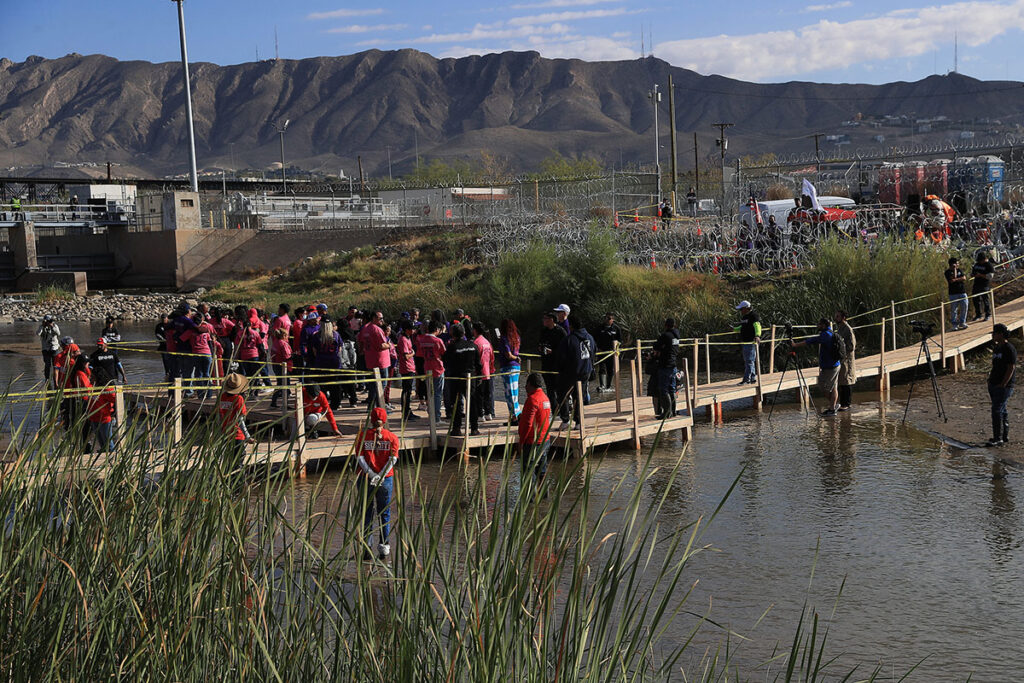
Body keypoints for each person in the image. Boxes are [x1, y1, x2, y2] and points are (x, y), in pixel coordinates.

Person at [355, 407, 400, 560]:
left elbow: (359, 459)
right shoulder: (392, 437)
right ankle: (384, 546)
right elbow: (392, 460)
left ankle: (367, 548)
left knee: (367, 512)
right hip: (385, 479)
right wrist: (380, 476)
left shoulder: (362, 436)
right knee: (384, 513)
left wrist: (372, 474)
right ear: (385, 420)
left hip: (365, 478)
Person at [791, 318, 841, 416]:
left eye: (819, 324)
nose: (817, 326)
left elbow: (812, 341)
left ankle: (832, 408)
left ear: (823, 325)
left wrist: (795, 345)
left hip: (832, 366)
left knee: (828, 388)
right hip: (830, 365)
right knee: (828, 387)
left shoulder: (826, 335)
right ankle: (833, 406)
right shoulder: (828, 332)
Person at [555, 315, 596, 424]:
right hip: (586, 371)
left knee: (562, 394)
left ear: (571, 326)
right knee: (579, 396)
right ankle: (578, 422)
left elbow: (561, 358)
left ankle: (565, 420)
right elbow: (594, 352)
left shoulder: (568, 340)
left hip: (571, 372)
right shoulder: (590, 337)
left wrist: (560, 370)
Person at [443, 323, 482, 436]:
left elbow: (445, 360)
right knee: (472, 403)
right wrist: (479, 376)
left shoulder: (452, 346)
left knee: (455, 403)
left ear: (452, 334)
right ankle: (474, 428)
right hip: (470, 378)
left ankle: (456, 428)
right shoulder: (473, 345)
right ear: (464, 333)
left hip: (456, 377)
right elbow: (478, 364)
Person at [517, 372, 552, 485]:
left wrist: (521, 441)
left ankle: (529, 500)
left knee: (528, 474)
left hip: (532, 443)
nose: (525, 387)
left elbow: (528, 424)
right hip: (545, 441)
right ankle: (544, 499)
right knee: (542, 473)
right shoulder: (545, 398)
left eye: (526, 384)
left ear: (530, 384)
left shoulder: (532, 400)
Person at [986, 324, 1016, 446]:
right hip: (993, 384)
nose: (993, 336)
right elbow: (995, 366)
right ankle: (1004, 436)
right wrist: (990, 380)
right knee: (1001, 410)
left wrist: (1004, 383)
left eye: (995, 333)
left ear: (1001, 334)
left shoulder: (1009, 349)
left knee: (997, 410)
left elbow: (1011, 367)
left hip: (1004, 386)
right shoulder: (997, 348)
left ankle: (997, 438)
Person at [311, 317, 345, 411]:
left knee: (322, 385)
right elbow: (340, 349)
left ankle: (323, 404)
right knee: (335, 385)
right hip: (334, 363)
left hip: (321, 362)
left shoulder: (317, 336)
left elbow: (314, 351)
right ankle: (336, 404)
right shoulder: (336, 335)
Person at [218, 373, 252, 463]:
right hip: (237, 435)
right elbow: (240, 420)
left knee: (228, 461)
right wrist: (248, 436)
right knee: (238, 462)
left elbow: (220, 416)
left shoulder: (222, 397)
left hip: (226, 434)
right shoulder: (238, 399)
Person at [539, 312, 568, 418]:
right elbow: (540, 343)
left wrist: (553, 351)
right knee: (549, 389)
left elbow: (565, 348)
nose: (543, 321)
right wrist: (541, 348)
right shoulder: (544, 331)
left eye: (545, 319)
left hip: (558, 364)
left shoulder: (560, 331)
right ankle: (555, 410)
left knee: (560, 389)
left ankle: (565, 410)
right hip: (546, 364)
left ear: (551, 320)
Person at [651, 318, 680, 419]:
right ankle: (673, 411)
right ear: (674, 325)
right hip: (673, 365)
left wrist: (658, 347)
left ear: (665, 325)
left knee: (663, 390)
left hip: (665, 365)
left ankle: (667, 413)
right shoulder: (676, 335)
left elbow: (656, 346)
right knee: (671, 389)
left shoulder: (665, 335)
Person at [419, 321, 447, 422]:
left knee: (430, 393)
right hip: (437, 368)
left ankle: (431, 415)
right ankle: (436, 417)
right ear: (436, 330)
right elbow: (444, 353)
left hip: (427, 367)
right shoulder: (437, 340)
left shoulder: (422, 339)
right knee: (438, 394)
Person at [497, 318, 523, 423]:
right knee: (514, 392)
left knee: (509, 393)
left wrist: (515, 358)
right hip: (516, 367)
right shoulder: (517, 337)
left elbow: (508, 355)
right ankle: (515, 415)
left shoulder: (504, 339)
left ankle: (515, 416)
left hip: (508, 367)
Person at [470, 322, 495, 422]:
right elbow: (492, 358)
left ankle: (480, 415)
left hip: (478, 373)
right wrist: (491, 369)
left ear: (475, 330)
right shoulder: (487, 342)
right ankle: (488, 413)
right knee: (487, 394)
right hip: (487, 372)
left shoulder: (476, 343)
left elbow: (474, 359)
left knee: (478, 395)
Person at [592, 312, 623, 392]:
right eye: (605, 318)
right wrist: (597, 348)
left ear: (613, 320)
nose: (606, 320)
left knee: (610, 369)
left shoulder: (616, 329)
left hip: (611, 353)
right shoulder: (599, 328)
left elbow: (620, 341)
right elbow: (594, 339)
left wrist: (616, 349)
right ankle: (602, 385)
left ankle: (608, 386)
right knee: (602, 368)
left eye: (609, 318)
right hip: (601, 351)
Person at [733, 301, 761, 385]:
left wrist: (757, 335)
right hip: (745, 342)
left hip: (751, 341)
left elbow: (757, 325)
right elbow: (742, 327)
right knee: (748, 360)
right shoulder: (744, 317)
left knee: (749, 360)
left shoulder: (753, 316)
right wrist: (734, 329)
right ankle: (752, 378)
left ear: (746, 308)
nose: (740, 311)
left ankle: (746, 379)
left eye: (741, 309)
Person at [834, 310, 857, 411]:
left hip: (847, 359)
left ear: (843, 317)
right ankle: (842, 403)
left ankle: (847, 404)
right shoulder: (840, 329)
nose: (836, 318)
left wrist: (842, 351)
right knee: (841, 381)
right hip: (841, 359)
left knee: (847, 380)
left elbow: (852, 346)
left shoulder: (848, 329)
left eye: (838, 316)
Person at [397, 320, 420, 421]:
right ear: (407, 329)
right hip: (406, 368)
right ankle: (405, 412)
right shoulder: (403, 339)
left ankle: (408, 410)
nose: (414, 331)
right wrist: (413, 353)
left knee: (409, 390)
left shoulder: (408, 338)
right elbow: (406, 356)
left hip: (410, 367)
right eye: (412, 329)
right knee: (406, 391)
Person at [86, 386, 117, 453]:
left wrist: (113, 413)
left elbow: (115, 399)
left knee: (109, 444)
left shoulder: (106, 388)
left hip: (104, 419)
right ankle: (105, 459)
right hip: (94, 418)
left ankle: (113, 459)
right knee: (102, 443)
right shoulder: (92, 386)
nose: (91, 378)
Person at [970, 251, 995, 322]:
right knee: (975, 300)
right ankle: (978, 314)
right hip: (976, 284)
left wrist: (981, 275)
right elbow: (973, 272)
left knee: (985, 300)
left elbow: (990, 276)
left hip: (984, 285)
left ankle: (988, 314)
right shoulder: (976, 264)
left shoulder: (988, 265)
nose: (980, 262)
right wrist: (973, 274)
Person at [945, 257, 969, 330]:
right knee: (954, 309)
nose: (958, 265)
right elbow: (952, 279)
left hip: (962, 292)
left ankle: (962, 322)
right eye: (956, 263)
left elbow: (964, 278)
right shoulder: (947, 272)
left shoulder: (960, 270)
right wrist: (955, 270)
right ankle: (954, 324)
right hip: (953, 293)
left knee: (964, 306)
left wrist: (957, 279)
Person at [37, 314, 61, 382]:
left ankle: (56, 379)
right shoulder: (42, 327)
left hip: (54, 348)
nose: (50, 322)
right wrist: (42, 326)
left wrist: (52, 326)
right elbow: (38, 333)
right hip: (45, 349)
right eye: (49, 321)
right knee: (47, 365)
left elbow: (58, 333)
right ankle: (47, 379)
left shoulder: (55, 326)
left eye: (51, 321)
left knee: (55, 365)